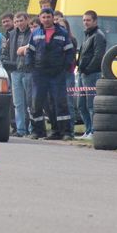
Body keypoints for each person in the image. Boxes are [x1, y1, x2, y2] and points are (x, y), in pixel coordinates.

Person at [25, 8, 74, 140]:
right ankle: (38, 131)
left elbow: (70, 52)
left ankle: (64, 132)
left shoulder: (62, 33)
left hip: (57, 74)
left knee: (59, 103)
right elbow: (30, 51)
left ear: (53, 18)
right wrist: (30, 65)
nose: (46, 19)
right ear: (40, 19)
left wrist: (65, 67)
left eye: (48, 17)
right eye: (43, 17)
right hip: (39, 74)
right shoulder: (35, 33)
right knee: (37, 103)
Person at [76, 10, 106, 139]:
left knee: (90, 104)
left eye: (88, 20)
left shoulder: (98, 35)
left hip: (92, 74)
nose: (85, 23)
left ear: (95, 21)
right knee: (81, 104)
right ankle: (88, 130)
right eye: (84, 20)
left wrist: (88, 69)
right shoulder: (87, 35)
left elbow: (98, 55)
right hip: (83, 74)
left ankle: (94, 131)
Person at [8, 12, 33, 137]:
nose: (19, 23)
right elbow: (7, 50)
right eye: (16, 21)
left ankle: (31, 129)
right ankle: (20, 129)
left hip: (28, 71)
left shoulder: (33, 33)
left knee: (30, 102)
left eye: (21, 20)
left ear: (27, 20)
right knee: (18, 103)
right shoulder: (12, 34)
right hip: (15, 71)